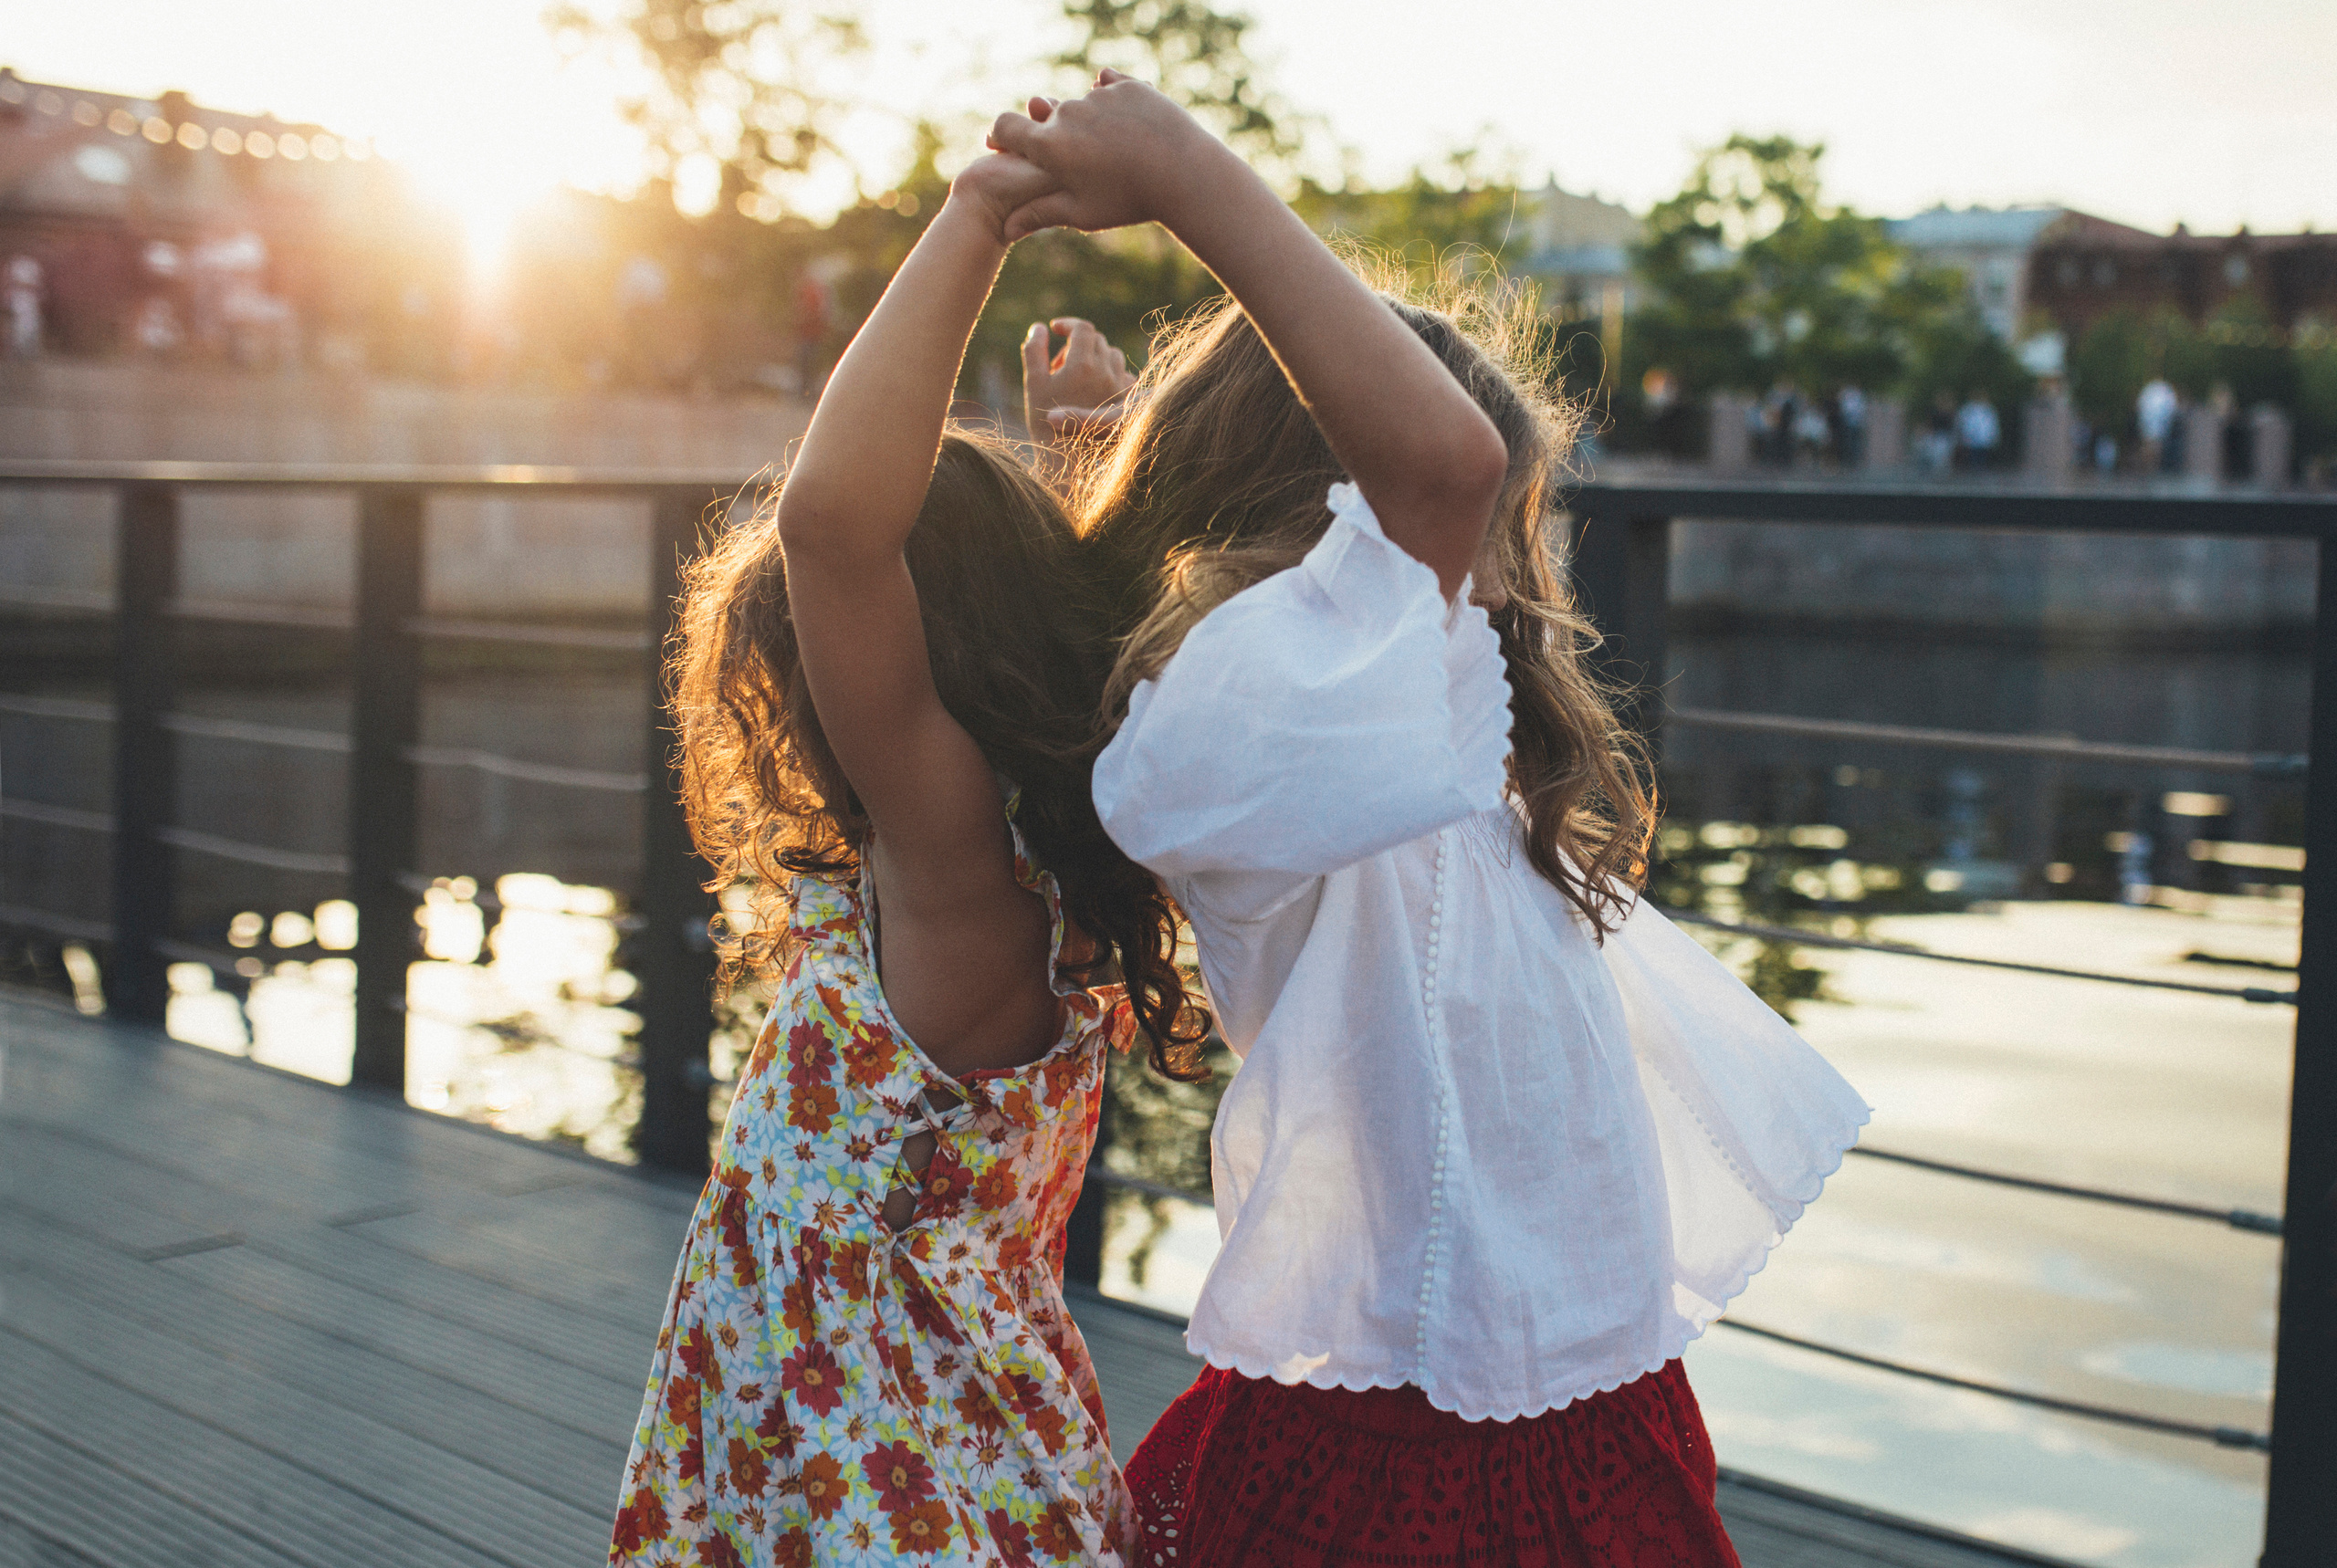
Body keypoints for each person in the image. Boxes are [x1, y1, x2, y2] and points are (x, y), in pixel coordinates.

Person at [990, 74, 1867, 1567]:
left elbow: (1378, 519)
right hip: (1393, 1452)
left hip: (1586, 1402)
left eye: (1505, 532)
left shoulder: (1429, 754)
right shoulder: (1236, 757)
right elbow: (1420, 483)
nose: (1497, 569)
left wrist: (1113, 448)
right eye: (1472, 534)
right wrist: (1186, 179)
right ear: (1330, 539)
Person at [606, 144, 1209, 1568]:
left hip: (880, 1464)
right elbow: (1117, 609)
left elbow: (830, 525)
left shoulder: (953, 870)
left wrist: (976, 215)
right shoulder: (1061, 846)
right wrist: (1086, 449)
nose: (812, 716)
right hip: (953, 1439)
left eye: (803, 679)